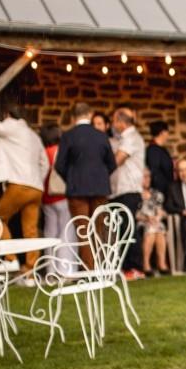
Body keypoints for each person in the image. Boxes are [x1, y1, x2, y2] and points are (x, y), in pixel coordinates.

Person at [0, 89, 50, 273]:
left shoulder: (11, 126)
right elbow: (45, 163)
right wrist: (37, 179)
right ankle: (30, 272)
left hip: (19, 184)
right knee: (31, 230)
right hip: (36, 188)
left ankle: (10, 259)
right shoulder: (33, 135)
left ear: (7, 115)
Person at [55, 101, 116, 271]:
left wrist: (72, 178)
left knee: (83, 230)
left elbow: (60, 165)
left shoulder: (68, 136)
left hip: (77, 190)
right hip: (100, 189)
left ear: (74, 117)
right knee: (98, 228)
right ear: (90, 115)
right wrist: (100, 178)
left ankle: (90, 269)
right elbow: (112, 163)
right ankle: (100, 267)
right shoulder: (101, 136)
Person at [109, 108, 145, 279]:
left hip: (129, 189)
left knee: (128, 229)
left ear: (121, 122)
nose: (112, 125)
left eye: (114, 121)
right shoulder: (122, 138)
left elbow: (117, 160)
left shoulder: (131, 138)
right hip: (119, 190)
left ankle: (135, 267)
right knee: (122, 229)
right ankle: (125, 267)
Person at [40, 124, 73, 265]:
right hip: (63, 196)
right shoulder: (61, 152)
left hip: (46, 198)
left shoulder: (43, 152)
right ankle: (65, 268)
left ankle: (50, 269)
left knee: (50, 233)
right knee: (66, 232)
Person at [136, 168, 169, 276]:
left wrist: (159, 215)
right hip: (141, 222)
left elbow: (162, 211)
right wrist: (147, 218)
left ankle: (162, 263)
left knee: (159, 228)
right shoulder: (135, 194)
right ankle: (146, 264)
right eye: (144, 177)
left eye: (148, 176)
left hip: (155, 222)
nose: (147, 179)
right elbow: (134, 213)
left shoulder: (157, 194)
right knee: (152, 228)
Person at [145, 120, 174, 198]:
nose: (168, 134)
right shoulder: (153, 150)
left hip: (165, 189)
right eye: (167, 131)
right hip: (160, 192)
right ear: (162, 132)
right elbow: (155, 173)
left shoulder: (159, 149)